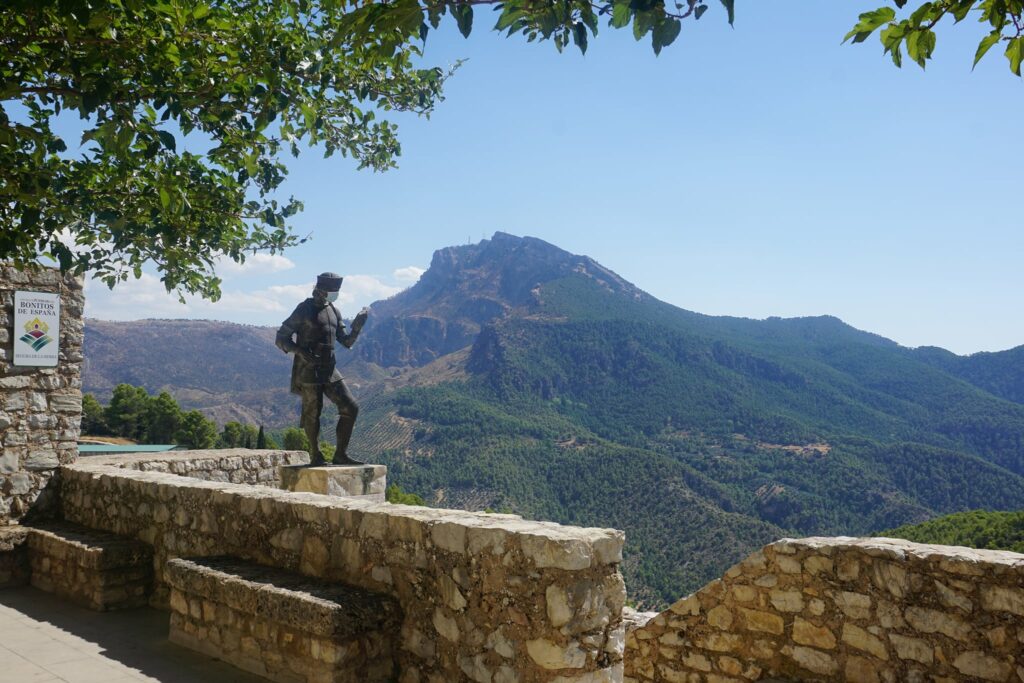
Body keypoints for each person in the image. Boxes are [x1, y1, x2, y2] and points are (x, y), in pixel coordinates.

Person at [275, 272, 369, 465]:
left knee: (351, 407)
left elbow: (346, 341)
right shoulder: (304, 309)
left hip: (330, 368)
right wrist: (300, 352)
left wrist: (357, 327)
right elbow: (281, 338)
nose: (335, 295)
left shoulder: (334, 310)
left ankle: (340, 454)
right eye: (333, 291)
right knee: (312, 412)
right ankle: (315, 452)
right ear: (321, 290)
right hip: (309, 369)